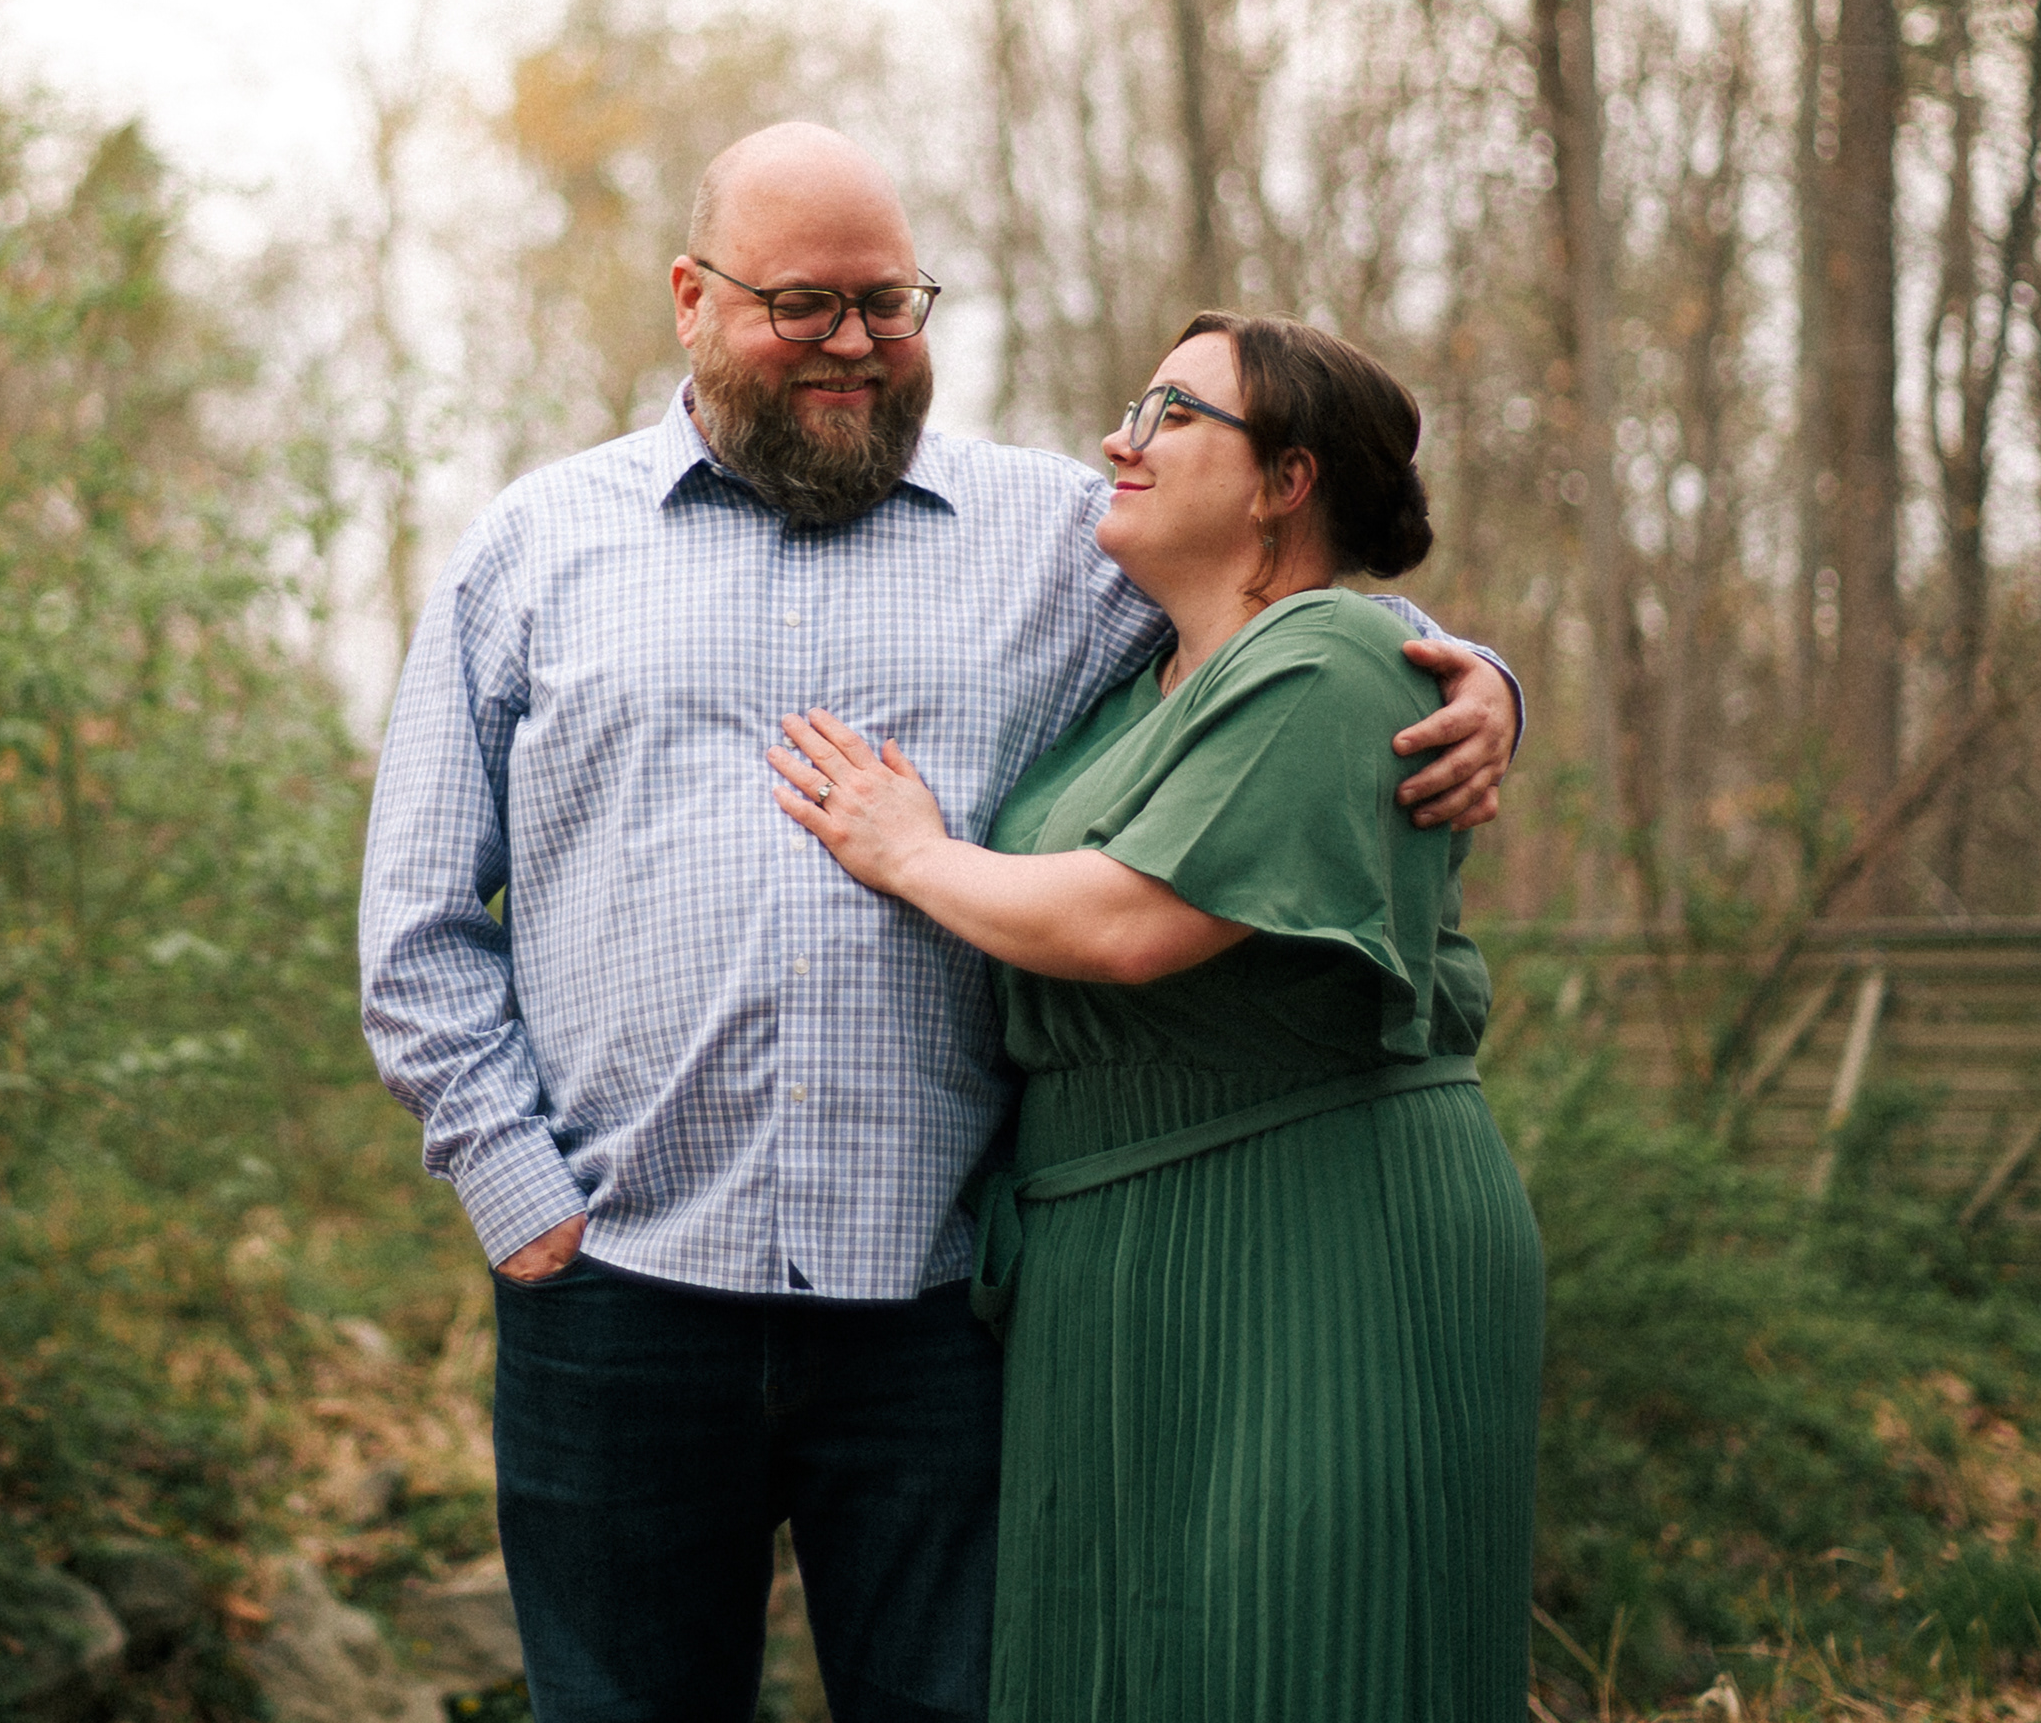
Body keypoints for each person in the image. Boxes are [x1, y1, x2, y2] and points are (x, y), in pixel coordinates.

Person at [357, 124, 1525, 1723]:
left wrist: (1475, 678)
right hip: (616, 1295)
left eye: (887, 304)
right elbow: (419, 921)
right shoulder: (533, 547)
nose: (853, 343)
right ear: (692, 300)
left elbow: (1294, 616)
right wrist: (519, 1196)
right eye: (803, 305)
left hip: (943, 1313)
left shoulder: (1059, 537)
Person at [771, 310, 1543, 1723]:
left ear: (1287, 482)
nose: (1118, 440)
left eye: (1175, 415)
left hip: (1315, 1240)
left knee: (1299, 1657)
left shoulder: (1332, 660)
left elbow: (1131, 924)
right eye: (1136, 407)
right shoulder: (1141, 688)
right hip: (1114, 1261)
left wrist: (910, 853)